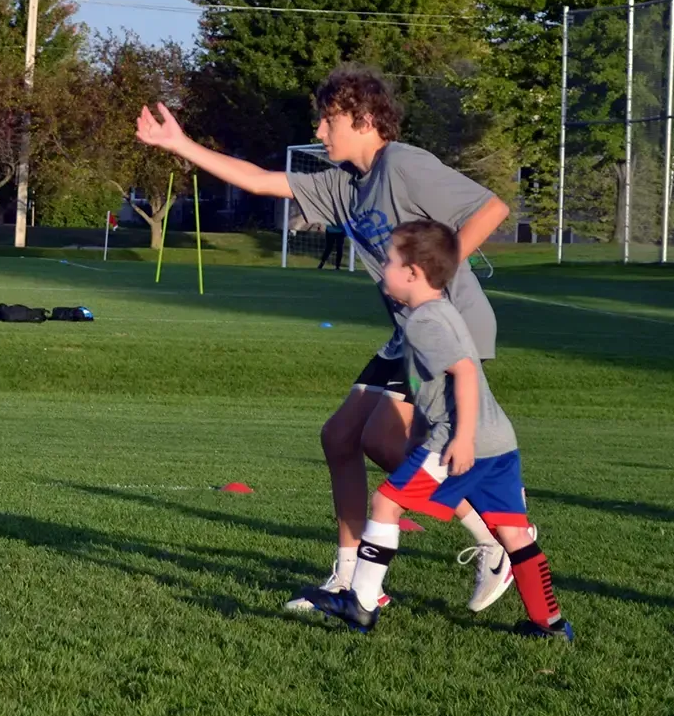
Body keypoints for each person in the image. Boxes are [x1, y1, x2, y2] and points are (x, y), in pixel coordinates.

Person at [135, 64, 515, 612]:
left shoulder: (403, 164)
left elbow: (491, 208)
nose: (318, 131)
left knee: (384, 441)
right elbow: (260, 180)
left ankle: (490, 542)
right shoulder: (345, 185)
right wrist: (181, 144)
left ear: (363, 119)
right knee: (339, 437)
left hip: (445, 330)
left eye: (328, 120)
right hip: (408, 333)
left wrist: (436, 284)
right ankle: (346, 576)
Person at [312, 220, 572, 640]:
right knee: (513, 532)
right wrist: (417, 436)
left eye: (391, 262)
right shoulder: (439, 310)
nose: (383, 270)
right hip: (500, 441)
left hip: (460, 439)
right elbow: (426, 386)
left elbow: (465, 374)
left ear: (413, 272)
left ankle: (359, 603)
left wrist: (461, 438)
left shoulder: (423, 323)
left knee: (385, 504)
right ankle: (551, 623)